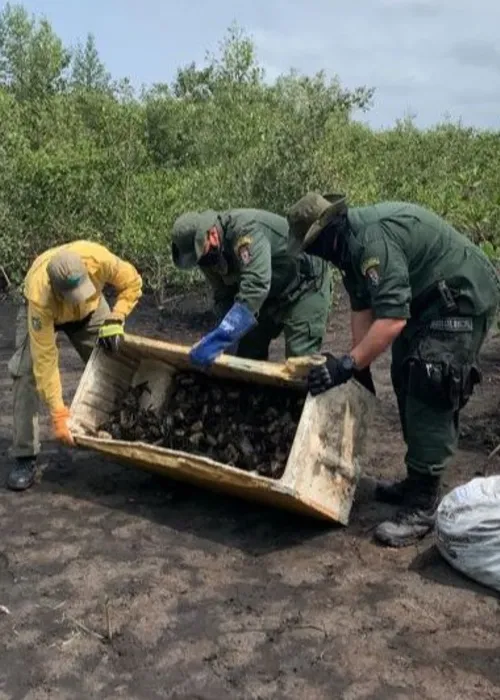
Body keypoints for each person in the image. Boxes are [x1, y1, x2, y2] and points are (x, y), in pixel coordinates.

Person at [286, 192, 500, 547]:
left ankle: (423, 504)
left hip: (459, 295)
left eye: (312, 245)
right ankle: (417, 480)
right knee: (403, 371)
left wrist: (346, 364)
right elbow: (362, 309)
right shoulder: (349, 249)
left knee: (429, 378)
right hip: (426, 301)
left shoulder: (371, 243)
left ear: (328, 234)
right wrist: (359, 368)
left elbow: (392, 319)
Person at [6, 240, 142, 492]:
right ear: (56, 290)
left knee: (114, 362)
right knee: (25, 373)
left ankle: (134, 432)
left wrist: (117, 315)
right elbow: (46, 359)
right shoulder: (40, 295)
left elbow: (132, 282)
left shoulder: (97, 258)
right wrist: (58, 412)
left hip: (90, 311)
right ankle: (25, 455)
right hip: (47, 315)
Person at [170, 208, 333, 366]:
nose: (202, 262)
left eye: (201, 252)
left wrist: (220, 338)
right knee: (246, 356)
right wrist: (220, 335)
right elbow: (223, 295)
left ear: (212, 234)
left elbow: (256, 286)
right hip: (270, 293)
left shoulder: (245, 231)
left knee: (299, 362)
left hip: (305, 284)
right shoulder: (207, 256)